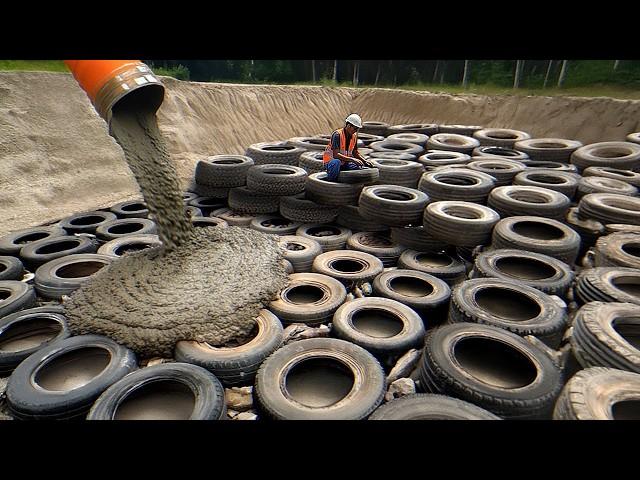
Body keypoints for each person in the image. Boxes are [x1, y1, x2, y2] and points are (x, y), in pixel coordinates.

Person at [323, 113, 373, 181]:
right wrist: (352, 159)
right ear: (349, 126)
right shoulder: (337, 135)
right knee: (336, 162)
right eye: (355, 128)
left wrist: (364, 161)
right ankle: (330, 183)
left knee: (359, 165)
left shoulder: (354, 136)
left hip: (344, 162)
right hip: (331, 161)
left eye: (357, 129)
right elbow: (336, 155)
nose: (356, 131)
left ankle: (348, 185)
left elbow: (355, 152)